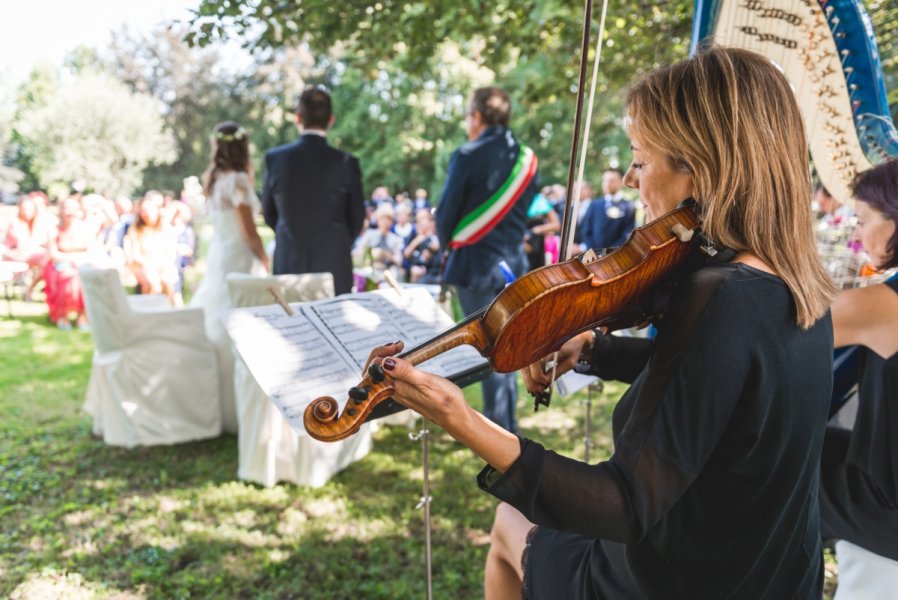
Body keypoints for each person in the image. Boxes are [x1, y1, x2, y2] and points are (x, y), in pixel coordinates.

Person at [367, 47, 836, 598]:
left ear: (699, 168)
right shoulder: (799, 281)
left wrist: (459, 415)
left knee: (505, 529)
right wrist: (592, 347)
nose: (635, 178)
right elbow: (715, 385)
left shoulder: (719, 296)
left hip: (682, 577)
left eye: (641, 159)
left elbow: (624, 503)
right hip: (772, 566)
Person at [435, 86, 539, 434]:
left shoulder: (467, 154)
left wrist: (445, 243)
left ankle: (500, 437)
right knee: (505, 351)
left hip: (475, 267)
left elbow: (446, 217)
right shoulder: (527, 158)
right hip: (513, 270)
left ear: (477, 117)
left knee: (488, 354)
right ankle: (505, 429)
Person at [822, 158, 898, 594]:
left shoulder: (880, 305)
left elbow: (766, 337)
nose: (855, 234)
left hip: (886, 503)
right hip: (880, 472)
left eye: (863, 219)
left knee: (749, 462)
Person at [189, 121, 269, 432]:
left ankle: (213, 402)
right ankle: (235, 406)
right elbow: (249, 231)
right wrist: (263, 258)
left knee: (217, 320)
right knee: (237, 323)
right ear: (242, 148)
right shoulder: (237, 180)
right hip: (239, 258)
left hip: (220, 256)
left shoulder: (214, 179)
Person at [262, 87, 366, 295]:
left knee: (291, 325)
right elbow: (356, 218)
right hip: (334, 263)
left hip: (290, 260)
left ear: (298, 117)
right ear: (331, 120)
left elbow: (269, 213)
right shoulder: (346, 163)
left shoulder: (275, 159)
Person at [44, 197, 93, 329]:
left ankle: (82, 316)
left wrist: (79, 260)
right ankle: (62, 315)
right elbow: (53, 254)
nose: (70, 211)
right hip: (58, 265)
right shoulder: (53, 229)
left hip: (81, 264)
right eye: (67, 208)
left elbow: (91, 250)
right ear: (61, 210)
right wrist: (71, 259)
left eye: (74, 208)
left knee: (84, 277)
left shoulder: (84, 228)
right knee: (68, 276)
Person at [124, 192, 179, 304]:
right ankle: (148, 311)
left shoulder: (165, 228)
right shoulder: (135, 229)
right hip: (142, 265)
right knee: (153, 282)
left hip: (163, 265)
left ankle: (166, 311)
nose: (146, 213)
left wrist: (163, 265)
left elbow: (171, 251)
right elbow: (134, 254)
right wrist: (149, 265)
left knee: (167, 281)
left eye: (149, 210)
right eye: (143, 210)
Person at [3, 193, 52, 299]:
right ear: (20, 209)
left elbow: (43, 241)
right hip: (14, 256)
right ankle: (31, 289)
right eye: (24, 209)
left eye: (30, 209)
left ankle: (32, 288)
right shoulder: (15, 223)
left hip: (31, 255)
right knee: (46, 260)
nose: (27, 212)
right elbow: (23, 245)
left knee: (48, 261)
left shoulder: (38, 223)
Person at [579, 168, 636, 252]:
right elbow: (586, 229)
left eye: (611, 180)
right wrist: (593, 251)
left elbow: (627, 233)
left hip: (616, 254)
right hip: (594, 255)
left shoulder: (628, 206)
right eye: (605, 180)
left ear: (621, 182)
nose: (607, 184)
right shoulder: (594, 204)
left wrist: (609, 252)